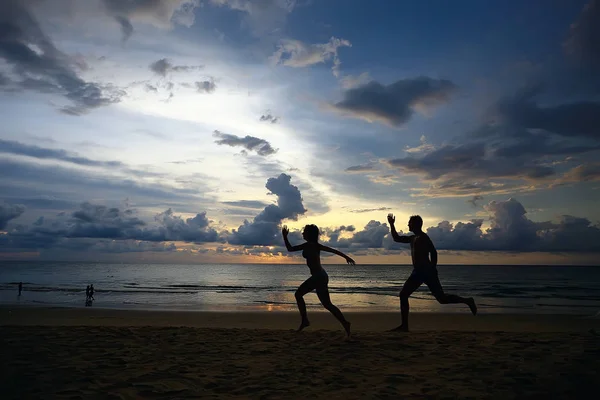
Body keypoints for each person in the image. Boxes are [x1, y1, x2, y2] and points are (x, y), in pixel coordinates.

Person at [387, 213, 477, 332]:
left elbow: (433, 252)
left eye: (410, 223)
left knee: (441, 299)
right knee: (406, 295)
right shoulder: (412, 238)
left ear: (416, 224)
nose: (408, 224)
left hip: (426, 272)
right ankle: (404, 326)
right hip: (418, 272)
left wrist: (433, 267)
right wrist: (392, 225)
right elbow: (397, 238)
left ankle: (467, 301)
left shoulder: (424, 238)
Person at [282, 224, 354, 337]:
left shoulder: (310, 245)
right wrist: (346, 257)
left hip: (318, 276)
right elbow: (290, 249)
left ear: (309, 234)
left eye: (304, 231)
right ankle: (345, 323)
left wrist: (285, 236)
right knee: (327, 304)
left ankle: (305, 321)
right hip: (321, 276)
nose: (302, 233)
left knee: (298, 294)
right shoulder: (313, 245)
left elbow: (290, 249)